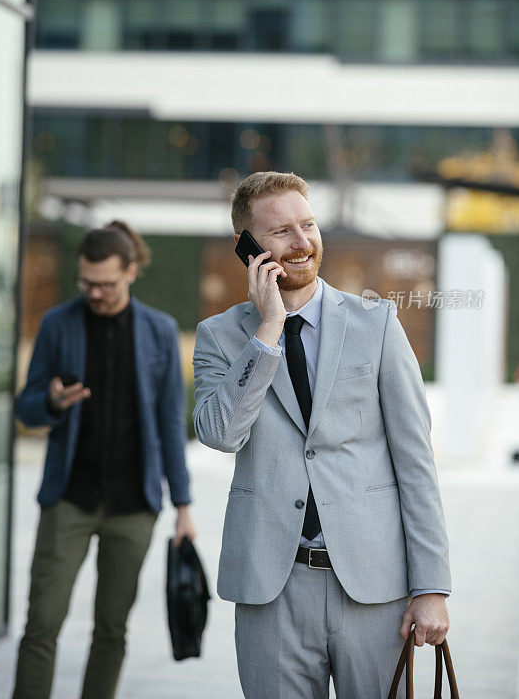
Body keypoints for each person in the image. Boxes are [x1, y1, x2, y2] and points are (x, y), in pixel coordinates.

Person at [193, 172, 450, 699]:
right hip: (272, 587)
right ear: (247, 247)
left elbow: (416, 462)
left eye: (307, 225)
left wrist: (432, 587)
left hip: (373, 586)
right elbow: (220, 433)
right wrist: (267, 331)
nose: (302, 241)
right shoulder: (219, 336)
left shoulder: (377, 325)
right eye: (281, 232)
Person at [12, 220, 195, 699]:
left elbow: (171, 424)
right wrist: (51, 401)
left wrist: (183, 505)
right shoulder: (58, 324)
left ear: (131, 271)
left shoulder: (158, 331)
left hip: (134, 505)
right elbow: (25, 407)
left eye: (106, 284)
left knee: (111, 629)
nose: (95, 292)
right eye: (86, 282)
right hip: (68, 499)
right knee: (42, 624)